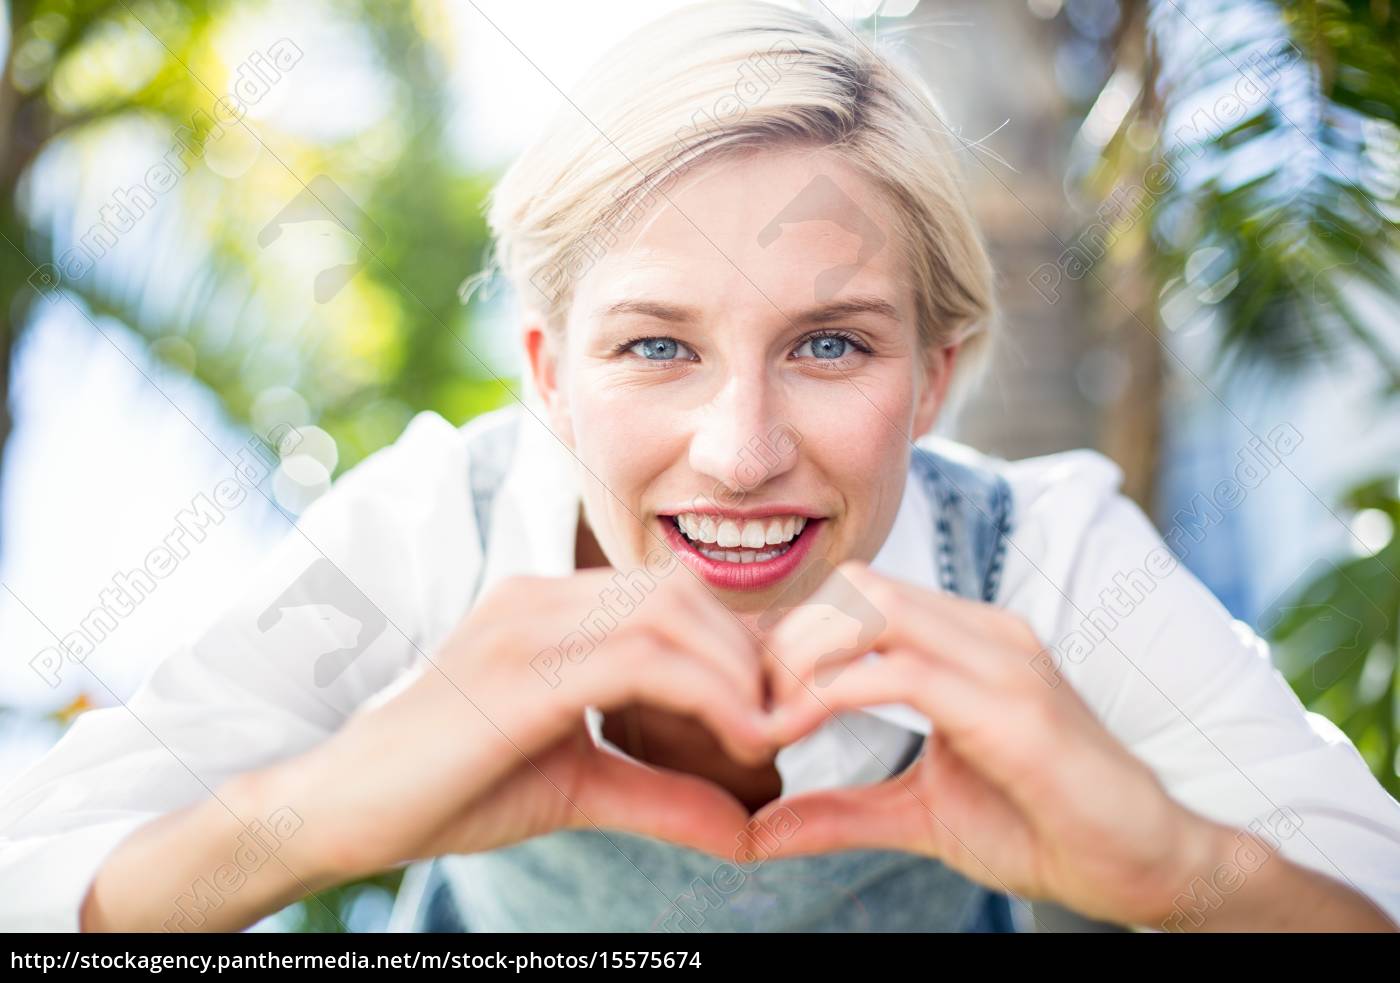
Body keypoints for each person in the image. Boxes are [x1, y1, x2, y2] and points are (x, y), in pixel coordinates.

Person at [3, 0, 1398, 933]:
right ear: (549, 376)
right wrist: (308, 819)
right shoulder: (437, 529)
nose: (741, 456)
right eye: (657, 348)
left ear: (939, 376)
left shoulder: (1044, 556)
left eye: (834, 347)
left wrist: (1186, 867)